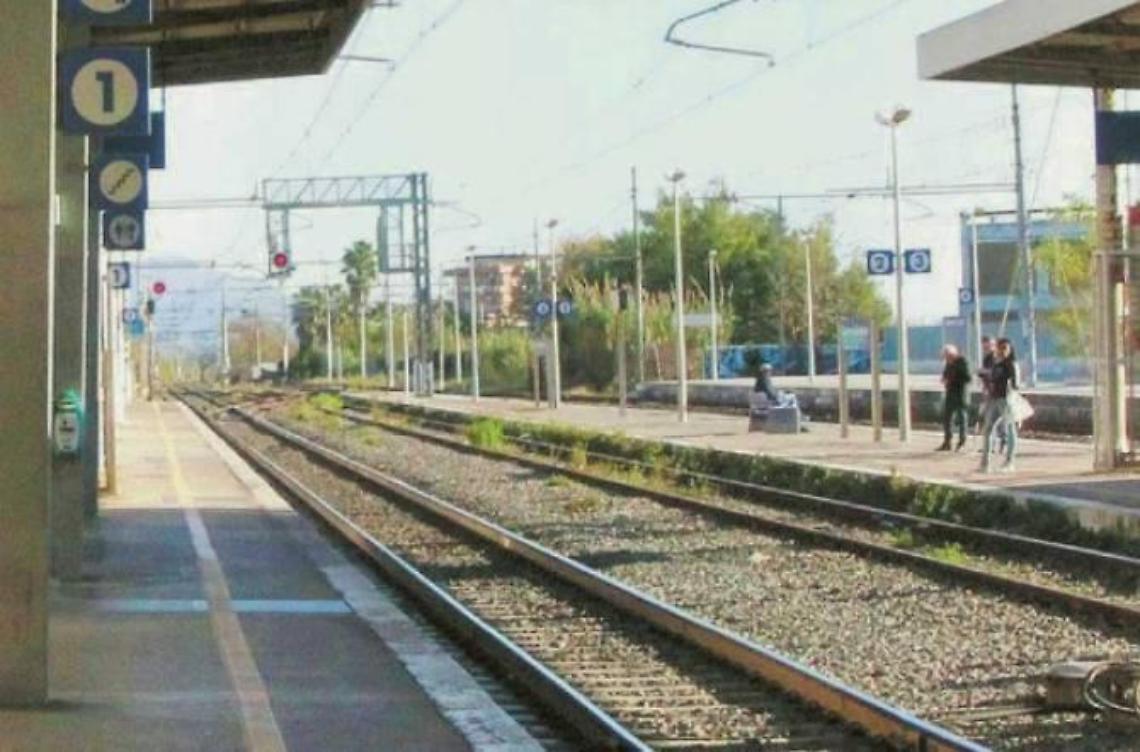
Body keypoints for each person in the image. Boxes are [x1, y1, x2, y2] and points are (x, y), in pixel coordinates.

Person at [980, 338, 1018, 472]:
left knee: (1010, 429)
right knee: (988, 429)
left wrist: (1011, 390)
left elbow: (1015, 385)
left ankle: (1010, 462)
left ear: (1009, 350)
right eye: (1000, 348)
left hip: (1005, 399)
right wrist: (986, 375)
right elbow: (991, 378)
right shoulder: (996, 363)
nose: (1002, 351)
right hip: (993, 399)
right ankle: (985, 463)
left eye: (1005, 348)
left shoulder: (1010, 365)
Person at [938, 345, 970, 451]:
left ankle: (962, 441)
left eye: (948, 356)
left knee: (962, 418)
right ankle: (947, 441)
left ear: (953, 354)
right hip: (950, 393)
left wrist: (953, 379)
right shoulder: (948, 363)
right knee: (947, 418)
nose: (947, 359)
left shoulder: (962, 362)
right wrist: (944, 378)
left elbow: (967, 377)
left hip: (960, 393)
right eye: (946, 357)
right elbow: (946, 374)